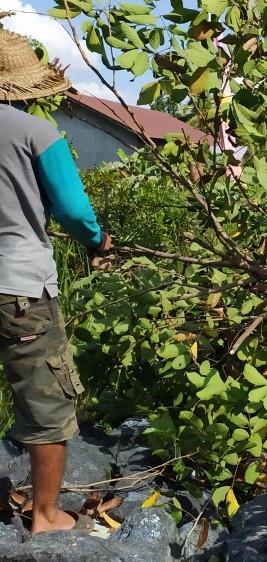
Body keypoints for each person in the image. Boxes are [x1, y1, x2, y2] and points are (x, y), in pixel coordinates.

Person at [0, 29, 113, 535]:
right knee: (47, 400)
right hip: (20, 286)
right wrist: (99, 241)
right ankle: (45, 516)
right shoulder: (36, 133)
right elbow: (72, 209)